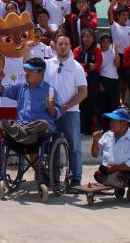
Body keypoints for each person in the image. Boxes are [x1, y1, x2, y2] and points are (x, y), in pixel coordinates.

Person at [44, 34, 88, 186]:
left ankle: (76, 178)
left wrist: (69, 104)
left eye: (66, 44)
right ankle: (54, 177)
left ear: (70, 47)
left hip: (71, 112)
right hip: (51, 113)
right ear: (55, 46)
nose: (63, 47)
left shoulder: (77, 67)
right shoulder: (47, 64)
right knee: (53, 146)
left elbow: (83, 91)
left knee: (74, 146)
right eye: (60, 44)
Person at [0, 58, 60, 145]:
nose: (26, 74)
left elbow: (57, 114)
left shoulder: (49, 90)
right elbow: (0, 91)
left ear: (41, 73)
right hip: (21, 125)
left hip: (38, 130)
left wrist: (50, 107)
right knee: (3, 122)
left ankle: (23, 133)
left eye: (30, 71)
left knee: (44, 124)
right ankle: (23, 133)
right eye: (26, 71)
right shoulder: (20, 86)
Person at [90, 108, 130, 189]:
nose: (111, 123)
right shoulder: (107, 135)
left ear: (124, 123)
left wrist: (115, 168)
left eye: (114, 121)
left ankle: (124, 181)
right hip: (108, 170)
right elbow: (95, 154)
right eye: (111, 121)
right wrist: (95, 140)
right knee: (98, 174)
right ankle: (112, 180)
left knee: (116, 177)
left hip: (126, 171)